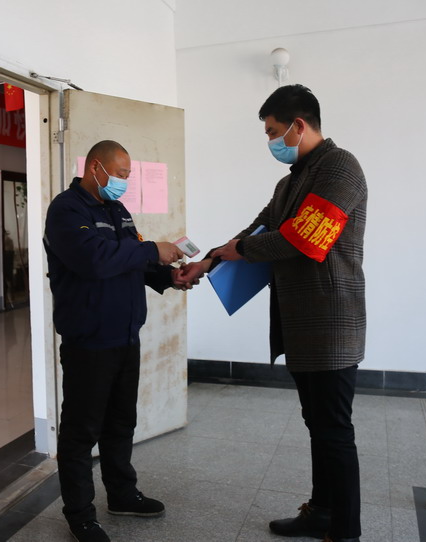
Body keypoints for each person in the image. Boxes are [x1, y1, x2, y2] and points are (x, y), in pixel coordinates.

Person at [179, 84, 367, 542]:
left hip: (331, 322)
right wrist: (210, 260)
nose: (270, 142)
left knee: (333, 430)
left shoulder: (340, 167)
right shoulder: (290, 181)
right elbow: (258, 229)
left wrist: (243, 250)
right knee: (318, 425)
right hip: (301, 320)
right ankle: (321, 512)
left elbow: (306, 237)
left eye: (272, 131)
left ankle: (345, 531)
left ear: (299, 125)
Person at [44, 140, 194, 542]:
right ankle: (80, 515)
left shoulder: (118, 210)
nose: (124, 181)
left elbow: (132, 261)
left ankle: (122, 494)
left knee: (120, 422)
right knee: (81, 432)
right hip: (89, 340)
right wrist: (152, 249)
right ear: (95, 167)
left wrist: (169, 276)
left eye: (128, 175)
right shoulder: (66, 210)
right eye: (121, 173)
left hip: (126, 336)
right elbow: (95, 260)